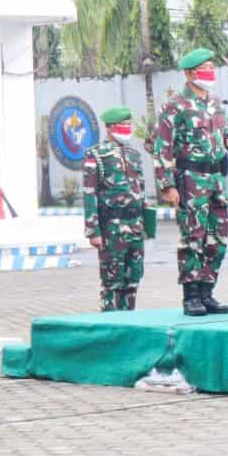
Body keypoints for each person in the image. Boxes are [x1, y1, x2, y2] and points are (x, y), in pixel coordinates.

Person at [154, 47, 228, 317]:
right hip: (190, 179)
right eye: (206, 68)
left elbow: (225, 134)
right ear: (191, 73)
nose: (211, 72)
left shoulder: (215, 102)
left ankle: (207, 291)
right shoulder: (175, 105)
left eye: (213, 68)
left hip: (216, 178)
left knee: (218, 237)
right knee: (194, 236)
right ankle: (191, 295)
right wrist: (167, 185)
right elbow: (162, 147)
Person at [83, 106, 146, 312]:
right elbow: (89, 192)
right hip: (112, 227)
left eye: (129, 124)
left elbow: (140, 190)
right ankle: (110, 324)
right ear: (109, 127)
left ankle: (130, 322)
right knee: (112, 280)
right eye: (123, 124)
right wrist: (93, 230)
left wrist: (145, 222)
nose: (127, 128)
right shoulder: (96, 155)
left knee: (133, 279)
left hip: (135, 225)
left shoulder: (134, 154)